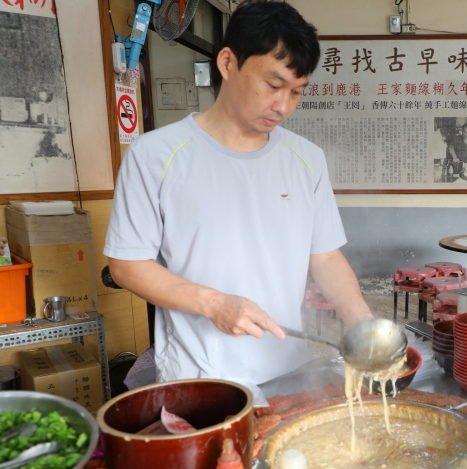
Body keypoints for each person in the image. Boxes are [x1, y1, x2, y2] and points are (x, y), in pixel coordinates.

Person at [103, 1, 372, 402]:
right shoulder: (156, 155)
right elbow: (127, 265)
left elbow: (325, 256)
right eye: (273, 84)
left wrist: (362, 322)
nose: (284, 106)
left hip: (288, 372)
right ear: (228, 63)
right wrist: (214, 304)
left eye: (297, 92)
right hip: (200, 375)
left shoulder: (305, 159)